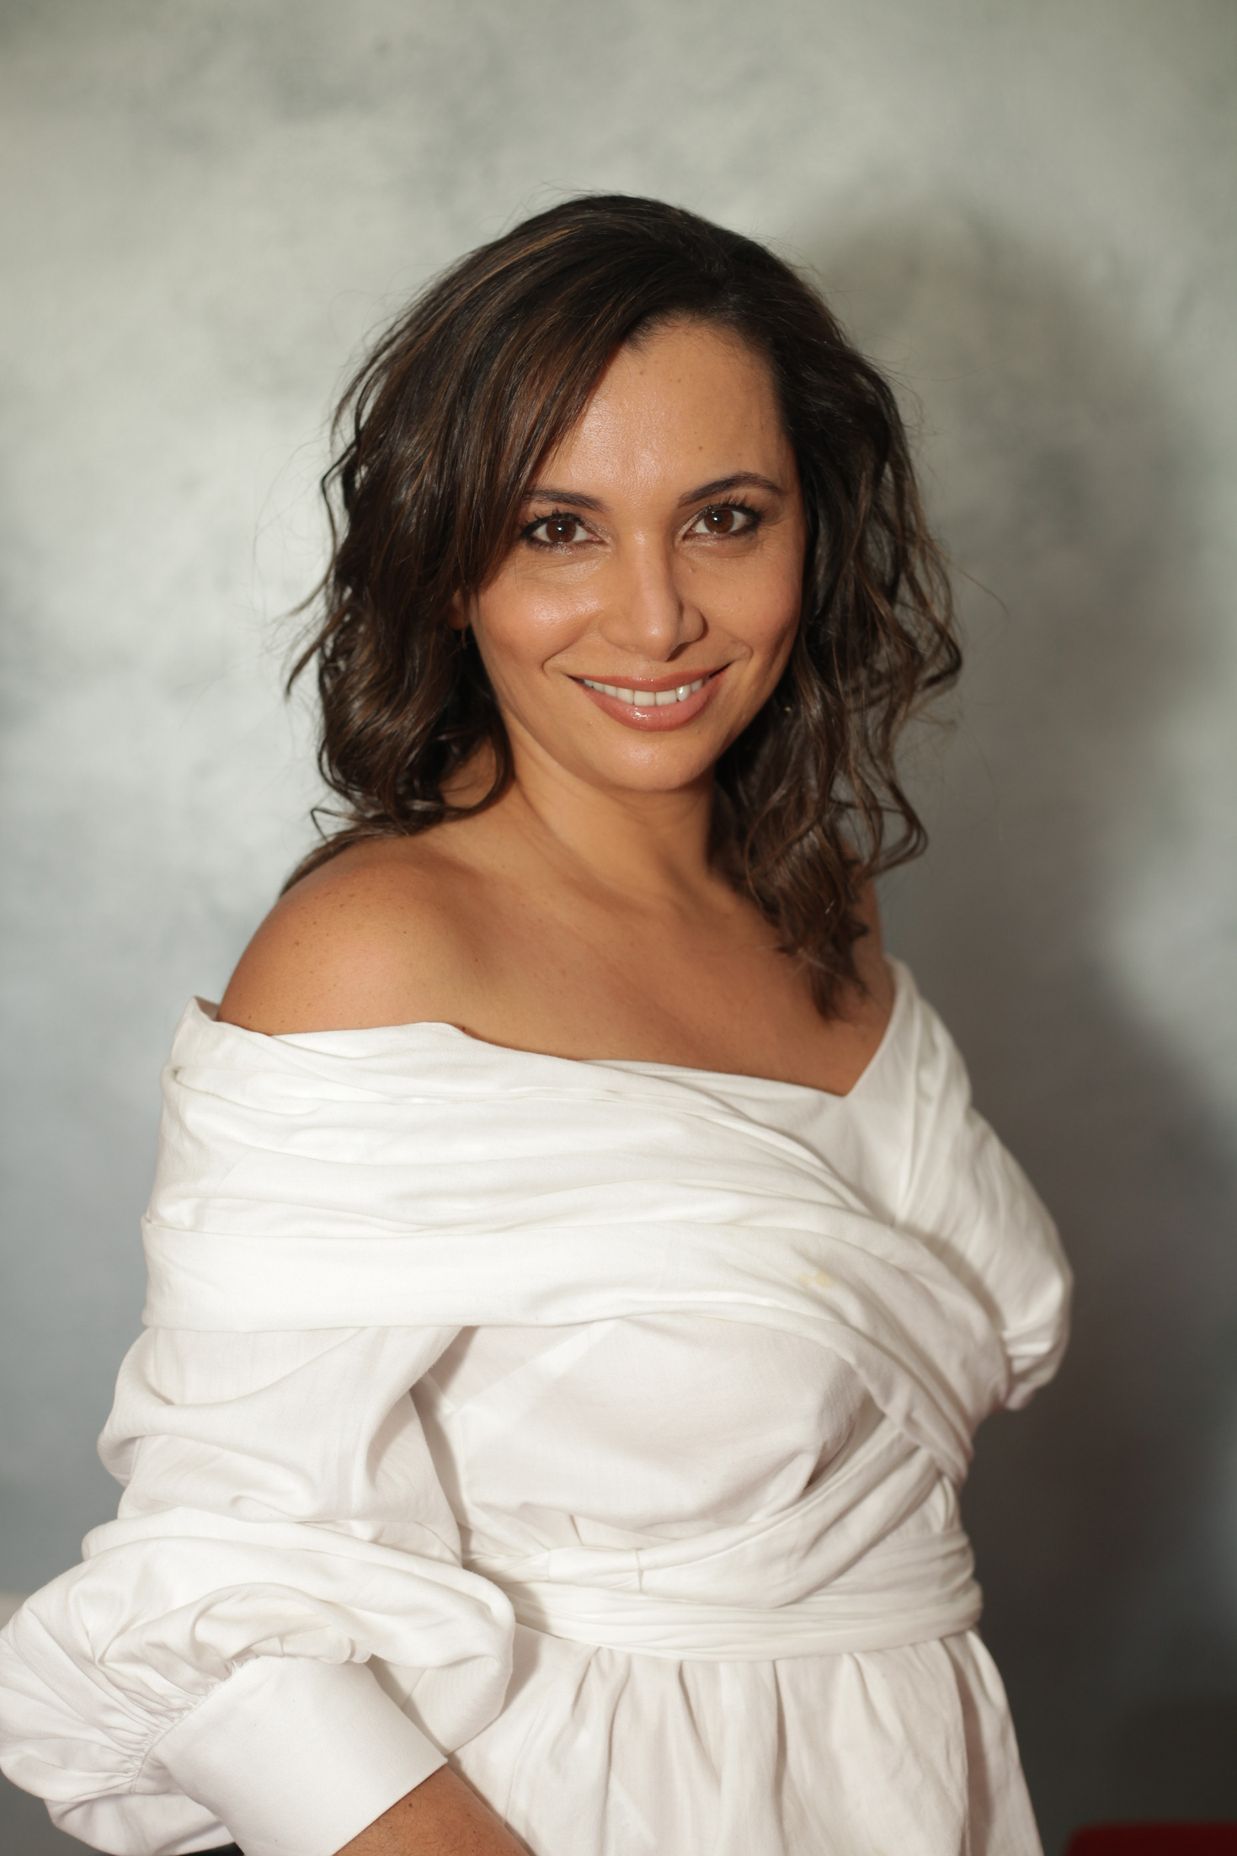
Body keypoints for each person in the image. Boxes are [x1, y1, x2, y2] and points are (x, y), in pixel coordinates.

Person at [0, 192, 1072, 1856]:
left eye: (723, 517)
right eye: (556, 528)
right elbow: (225, 1613)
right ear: (445, 563)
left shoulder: (821, 897)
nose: (653, 619)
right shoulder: (373, 954)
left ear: (815, 530)